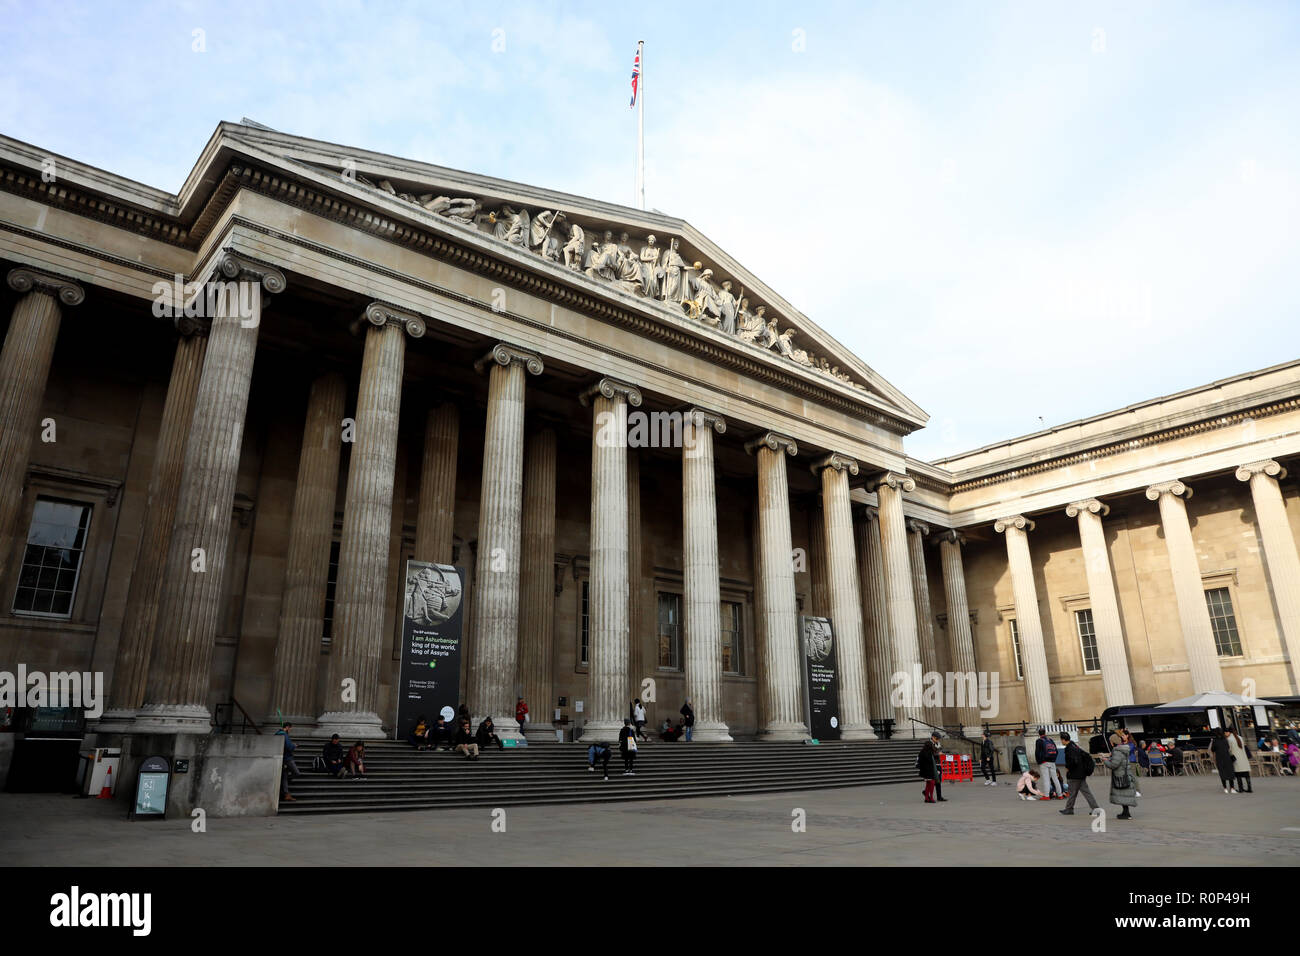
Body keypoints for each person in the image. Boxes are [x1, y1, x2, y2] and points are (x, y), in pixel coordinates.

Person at [1059, 732, 1100, 815]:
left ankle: (1069, 809)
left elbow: (1073, 761)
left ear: (1063, 740)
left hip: (1074, 775)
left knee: (1072, 793)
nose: (1061, 741)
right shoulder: (1075, 746)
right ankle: (1095, 808)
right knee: (1087, 793)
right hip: (1081, 774)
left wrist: (1068, 767)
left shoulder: (1069, 748)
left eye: (1061, 740)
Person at [1105, 736, 1138, 819]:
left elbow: (1114, 765)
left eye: (1110, 741)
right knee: (1124, 795)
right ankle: (1125, 812)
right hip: (1125, 775)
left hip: (1120, 777)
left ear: (1113, 742)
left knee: (1123, 794)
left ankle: (1127, 814)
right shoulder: (1124, 749)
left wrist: (1105, 760)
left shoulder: (1117, 751)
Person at [1034, 727, 1063, 800]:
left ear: (1039, 734)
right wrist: (1053, 759)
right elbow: (1056, 750)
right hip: (1052, 761)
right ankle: (1060, 795)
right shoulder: (1050, 740)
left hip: (1044, 762)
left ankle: (1046, 796)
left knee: (1046, 779)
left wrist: (1039, 761)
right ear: (1045, 733)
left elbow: (1037, 752)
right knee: (1055, 778)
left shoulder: (1039, 741)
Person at [917, 732, 944, 803]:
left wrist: (940, 753)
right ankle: (928, 794)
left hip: (938, 764)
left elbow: (939, 750)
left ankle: (938, 796)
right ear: (932, 737)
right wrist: (938, 753)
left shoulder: (938, 744)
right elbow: (930, 754)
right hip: (932, 765)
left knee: (938, 781)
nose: (937, 740)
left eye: (938, 738)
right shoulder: (929, 744)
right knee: (933, 781)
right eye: (936, 738)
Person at [277, 722, 299, 801]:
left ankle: (286, 793)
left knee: (285, 776)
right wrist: (294, 746)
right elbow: (289, 747)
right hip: (287, 758)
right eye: (290, 728)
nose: (290, 730)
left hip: (284, 757)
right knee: (296, 772)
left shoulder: (278, 734)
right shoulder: (284, 734)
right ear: (287, 727)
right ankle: (284, 787)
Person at [1211, 729, 1237, 793]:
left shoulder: (1215, 741)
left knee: (1222, 773)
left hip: (1219, 759)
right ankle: (1232, 788)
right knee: (1230, 772)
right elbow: (1228, 748)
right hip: (1227, 758)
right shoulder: (1225, 740)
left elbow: (1213, 749)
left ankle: (1225, 788)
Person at [1227, 728, 1253, 793]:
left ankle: (1241, 788)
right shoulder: (1240, 738)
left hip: (1236, 759)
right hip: (1244, 759)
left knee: (1238, 774)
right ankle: (1249, 788)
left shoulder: (1229, 739)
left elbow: (1229, 749)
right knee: (1246, 774)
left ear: (1229, 733)